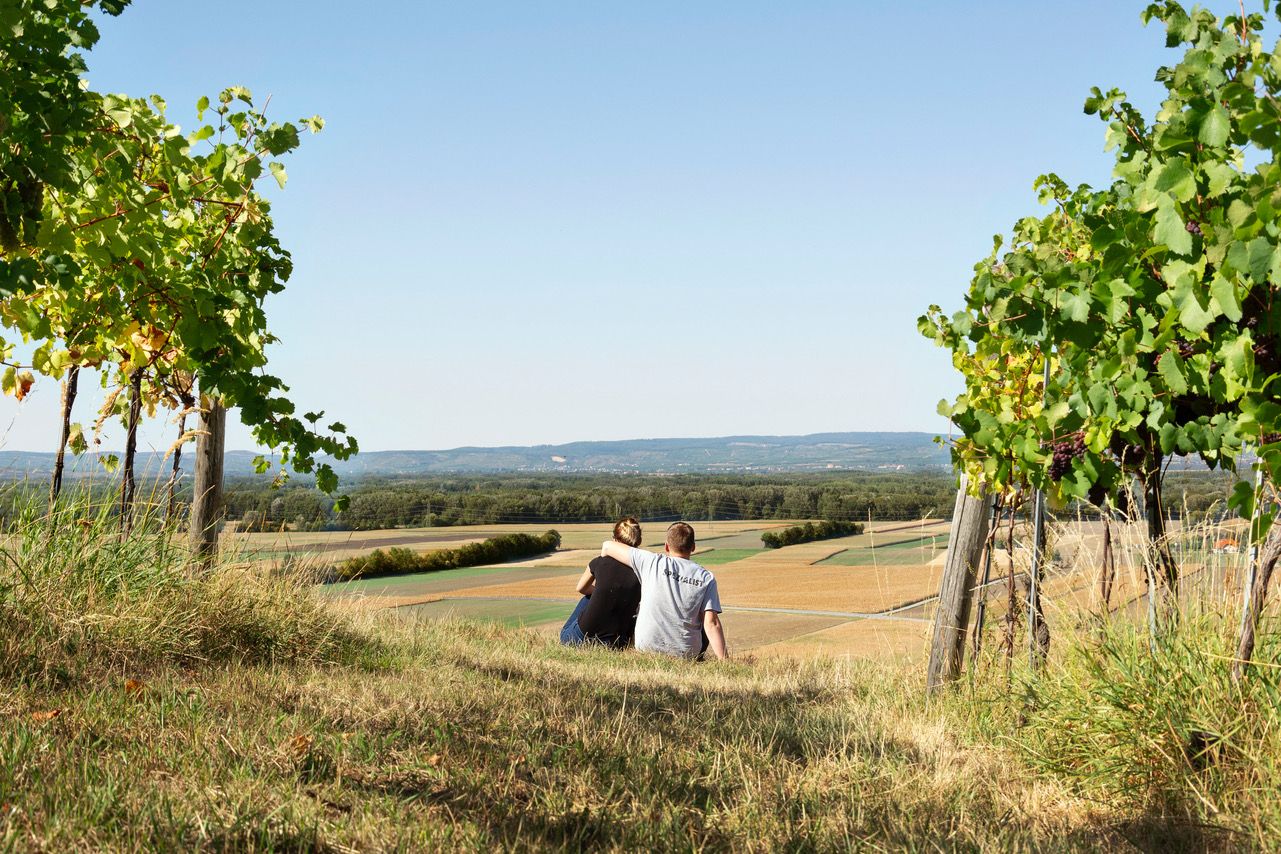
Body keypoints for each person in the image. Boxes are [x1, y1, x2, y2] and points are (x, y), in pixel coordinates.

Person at [600, 521, 727, 660]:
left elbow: (607, 546)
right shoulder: (706, 577)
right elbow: (711, 623)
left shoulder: (651, 562)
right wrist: (725, 660)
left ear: (666, 546)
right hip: (686, 654)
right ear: (693, 547)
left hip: (646, 647)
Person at [559, 517, 643, 648]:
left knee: (588, 598)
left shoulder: (599, 562)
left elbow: (581, 588)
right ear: (638, 541)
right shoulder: (643, 570)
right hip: (616, 644)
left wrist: (601, 592)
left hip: (578, 640)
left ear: (614, 539)